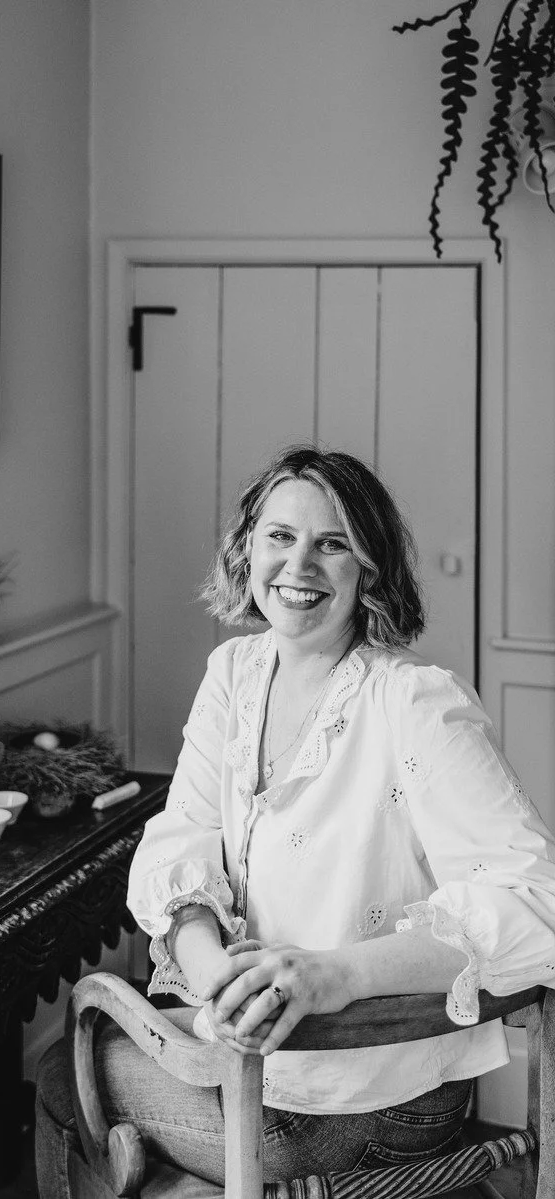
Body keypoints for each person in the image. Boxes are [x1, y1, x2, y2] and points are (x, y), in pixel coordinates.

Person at [35, 445, 555, 1193]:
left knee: (64, 1072)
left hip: (377, 1095)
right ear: (248, 548)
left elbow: (534, 897)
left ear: (368, 568)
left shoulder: (412, 703)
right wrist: (218, 979)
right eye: (280, 536)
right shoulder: (236, 673)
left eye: (332, 543)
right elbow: (179, 837)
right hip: (256, 1061)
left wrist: (335, 975)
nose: (299, 565)